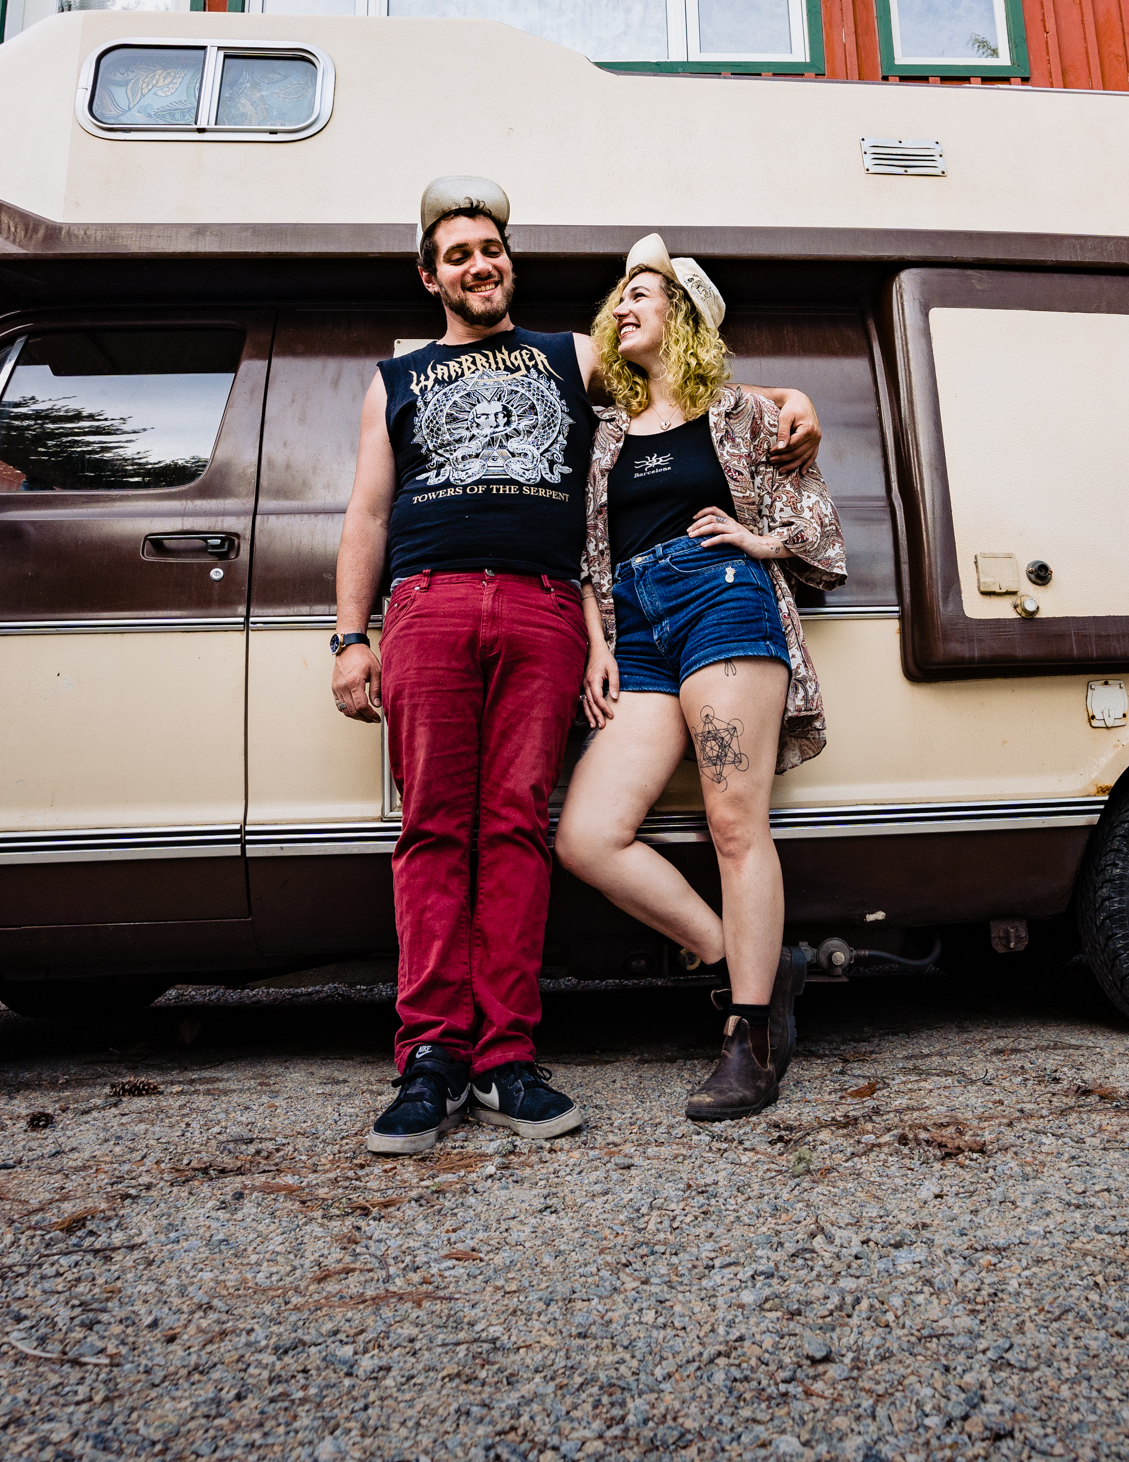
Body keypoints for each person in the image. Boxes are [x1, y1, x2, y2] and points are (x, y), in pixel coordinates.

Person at [332, 180, 825, 1155]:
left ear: (508, 260)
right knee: (499, 831)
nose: (480, 263)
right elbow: (369, 515)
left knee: (554, 828)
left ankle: (563, 1049)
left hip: (620, 606)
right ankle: (438, 1052)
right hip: (495, 609)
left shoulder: (570, 356)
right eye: (458, 253)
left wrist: (791, 397)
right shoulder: (406, 380)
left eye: (492, 247)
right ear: (429, 274)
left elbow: (710, 392)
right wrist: (352, 635)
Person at [556, 236, 847, 1122]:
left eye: (643, 292)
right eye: (622, 295)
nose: (623, 305)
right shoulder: (606, 435)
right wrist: (598, 642)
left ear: (680, 316)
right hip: (637, 626)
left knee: (733, 821)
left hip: (723, 601)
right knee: (587, 835)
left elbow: (820, 524)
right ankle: (746, 959)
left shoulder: (741, 414)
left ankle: (748, 1032)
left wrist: (763, 543)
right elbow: (588, 558)